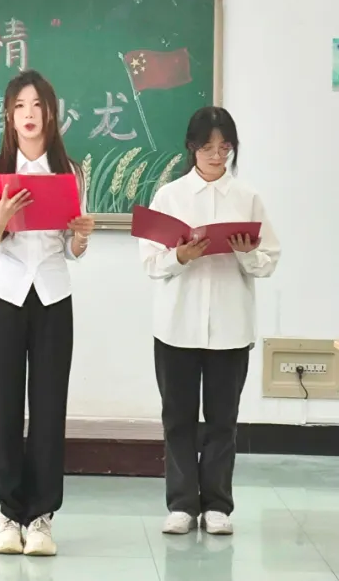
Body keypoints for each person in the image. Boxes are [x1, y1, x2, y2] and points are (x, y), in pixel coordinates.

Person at [140, 107, 279, 537]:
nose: (217, 155)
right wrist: (180, 256)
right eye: (208, 147)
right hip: (176, 326)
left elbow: (269, 260)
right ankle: (182, 504)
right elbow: (150, 263)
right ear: (192, 147)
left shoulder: (247, 198)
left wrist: (245, 253)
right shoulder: (169, 197)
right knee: (178, 419)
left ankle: (217, 505)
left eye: (225, 147)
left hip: (231, 326)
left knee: (222, 420)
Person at [0, 70, 94, 557]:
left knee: (47, 410)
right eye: (20, 105)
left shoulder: (70, 171)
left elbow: (71, 248)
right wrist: (0, 219)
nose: (29, 113)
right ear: (8, 114)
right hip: (3, 296)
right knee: (3, 408)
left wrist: (81, 236)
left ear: (50, 113)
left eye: (37, 105)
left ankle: (41, 518)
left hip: (52, 298)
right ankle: (8, 514)